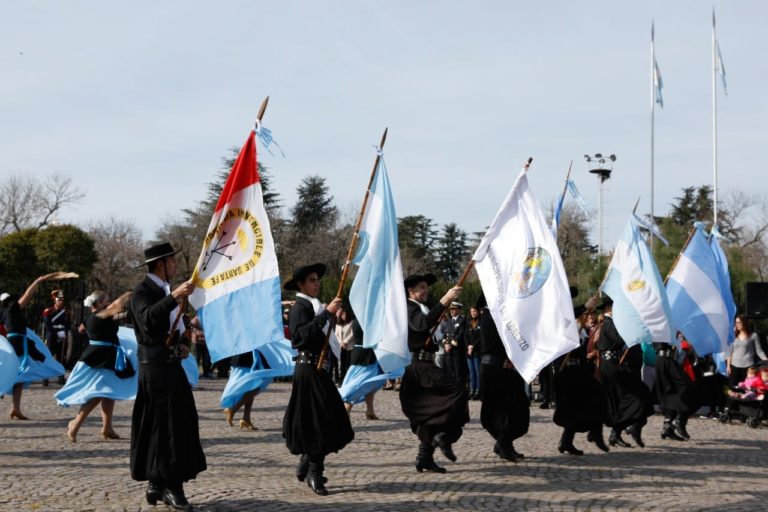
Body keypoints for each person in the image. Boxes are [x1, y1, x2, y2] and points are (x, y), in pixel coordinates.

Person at [129, 242, 206, 511]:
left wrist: (183, 343)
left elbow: (174, 328)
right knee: (163, 427)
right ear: (161, 264)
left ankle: (158, 482)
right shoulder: (142, 291)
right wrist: (173, 296)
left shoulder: (163, 291)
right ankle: (170, 485)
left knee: (177, 424)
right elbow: (148, 320)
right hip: (155, 371)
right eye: (172, 262)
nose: (176, 266)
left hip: (171, 367)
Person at [282, 263, 353, 496]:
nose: (317, 283)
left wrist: (327, 314)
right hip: (307, 370)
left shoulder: (314, 306)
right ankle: (314, 471)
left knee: (329, 418)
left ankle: (308, 461)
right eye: (312, 280)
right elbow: (300, 337)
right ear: (301, 285)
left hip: (319, 370)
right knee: (318, 421)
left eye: (317, 279)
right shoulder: (300, 308)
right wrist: (326, 314)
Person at [399, 273, 466, 473]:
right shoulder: (409, 308)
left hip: (427, 364)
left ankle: (425, 456)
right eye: (421, 287)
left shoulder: (422, 308)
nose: (425, 290)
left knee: (432, 409)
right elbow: (422, 324)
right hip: (419, 367)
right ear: (411, 291)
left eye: (426, 287)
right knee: (455, 390)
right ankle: (443, 434)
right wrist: (445, 300)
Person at [56, 290, 135, 442]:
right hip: (101, 357)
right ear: (98, 304)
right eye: (106, 301)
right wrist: (129, 293)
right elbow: (117, 306)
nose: (109, 303)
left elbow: (81, 329)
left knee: (108, 391)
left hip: (105, 355)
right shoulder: (99, 315)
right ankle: (75, 423)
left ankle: (107, 428)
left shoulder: (91, 318)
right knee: (100, 392)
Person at [0, 272, 72, 420]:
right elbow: (28, 294)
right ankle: (14, 405)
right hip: (18, 344)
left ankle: (15, 408)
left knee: (20, 376)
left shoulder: (5, 313)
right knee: (18, 374)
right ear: (10, 302)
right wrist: (37, 281)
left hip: (16, 343)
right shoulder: (13, 309)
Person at [552, 294, 609, 455]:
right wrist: (585, 305)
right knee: (577, 406)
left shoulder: (577, 324)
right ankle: (593, 432)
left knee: (592, 399)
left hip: (578, 370)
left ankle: (571, 440)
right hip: (565, 371)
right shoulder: (558, 319)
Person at [476, 293, 529, 461]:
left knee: (508, 411)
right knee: (507, 411)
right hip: (498, 369)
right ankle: (503, 443)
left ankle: (505, 444)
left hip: (498, 368)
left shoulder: (491, 317)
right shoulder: (493, 318)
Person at [597, 296, 654, 448]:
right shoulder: (608, 323)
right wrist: (634, 328)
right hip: (610, 367)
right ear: (609, 308)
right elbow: (619, 338)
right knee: (629, 398)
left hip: (615, 366)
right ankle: (618, 431)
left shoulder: (612, 323)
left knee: (637, 395)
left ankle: (623, 431)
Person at [653, 334, 700, 441]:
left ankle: (668, 427)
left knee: (673, 393)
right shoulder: (662, 325)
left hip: (668, 360)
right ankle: (679, 420)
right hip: (665, 360)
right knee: (686, 389)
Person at [338, 318, 387, 419]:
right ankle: (346, 408)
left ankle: (370, 410)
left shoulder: (358, 319)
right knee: (359, 383)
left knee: (369, 383)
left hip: (363, 353)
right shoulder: (364, 320)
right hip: (365, 355)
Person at [221, 349, 271, 430]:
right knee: (255, 386)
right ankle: (233, 409)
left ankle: (246, 418)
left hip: (244, 355)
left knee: (251, 387)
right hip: (247, 357)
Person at [727, 315, 767, 388]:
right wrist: (728, 366)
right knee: (733, 388)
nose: (737, 324)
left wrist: (766, 360)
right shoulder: (733, 336)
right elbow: (729, 352)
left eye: (739, 322)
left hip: (748, 367)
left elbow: (759, 351)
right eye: (736, 322)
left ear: (744, 323)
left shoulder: (753, 336)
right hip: (734, 366)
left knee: (747, 389)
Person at [42, 289, 71, 384]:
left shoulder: (66, 312)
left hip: (62, 336)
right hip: (51, 336)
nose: (61, 302)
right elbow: (47, 325)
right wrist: (56, 333)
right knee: (48, 356)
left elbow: (68, 324)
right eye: (59, 300)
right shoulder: (48, 311)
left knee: (61, 356)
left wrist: (64, 332)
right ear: (54, 300)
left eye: (62, 300)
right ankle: (45, 377)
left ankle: (61, 376)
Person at [439, 302, 468, 383]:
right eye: (451, 309)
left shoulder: (462, 320)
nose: (451, 311)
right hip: (448, 352)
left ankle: (460, 392)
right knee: (450, 373)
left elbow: (460, 334)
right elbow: (444, 335)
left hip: (457, 351)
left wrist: (451, 345)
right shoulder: (448, 322)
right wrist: (445, 344)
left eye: (454, 309)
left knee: (459, 373)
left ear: (459, 310)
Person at [465, 306, 482, 400]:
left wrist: (473, 346)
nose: (473, 313)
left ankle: (478, 390)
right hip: (469, 351)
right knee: (471, 372)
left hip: (476, 351)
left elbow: (480, 337)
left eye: (474, 311)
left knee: (477, 371)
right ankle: (472, 389)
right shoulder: (468, 322)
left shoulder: (481, 321)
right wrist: (468, 346)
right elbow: (465, 335)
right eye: (471, 311)